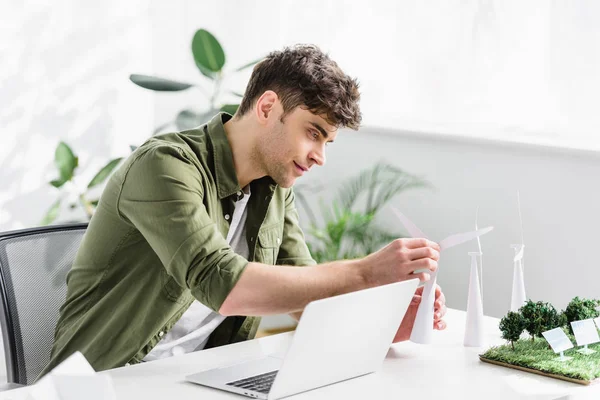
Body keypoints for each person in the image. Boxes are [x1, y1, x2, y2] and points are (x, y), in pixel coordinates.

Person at [39, 44, 446, 377]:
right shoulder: (164, 165)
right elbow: (224, 286)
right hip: (106, 383)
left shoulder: (274, 189)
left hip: (200, 379)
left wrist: (388, 323)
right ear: (267, 107)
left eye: (327, 142)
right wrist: (364, 271)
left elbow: (308, 294)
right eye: (313, 132)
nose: (320, 156)